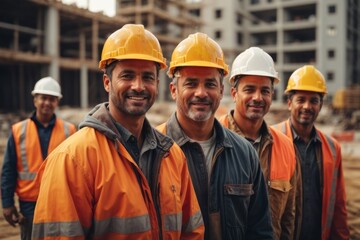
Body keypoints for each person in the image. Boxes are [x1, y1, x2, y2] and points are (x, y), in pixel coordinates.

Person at [31, 24, 204, 240]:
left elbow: (193, 232)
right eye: (127, 76)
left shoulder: (173, 156)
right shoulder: (73, 159)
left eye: (148, 77)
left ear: (158, 84)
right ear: (107, 82)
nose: (138, 86)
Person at [157, 33, 273, 239]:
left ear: (221, 90)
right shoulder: (153, 150)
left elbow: (260, 230)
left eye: (210, 84)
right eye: (191, 83)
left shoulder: (244, 153)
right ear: (174, 90)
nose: (201, 93)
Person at [218, 47, 299, 240]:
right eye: (249, 89)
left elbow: (288, 217)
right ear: (234, 93)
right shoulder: (214, 137)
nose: (257, 97)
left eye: (265, 90)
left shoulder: (285, 147)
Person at [273, 65, 350, 240]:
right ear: (289, 102)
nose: (307, 106)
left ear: (321, 105)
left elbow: (338, 205)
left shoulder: (332, 148)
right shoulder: (271, 140)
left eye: (314, 101)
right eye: (301, 99)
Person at [1, 76, 76, 240]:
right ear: (35, 99)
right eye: (43, 98)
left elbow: (77, 171)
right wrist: (7, 204)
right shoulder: (18, 131)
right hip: (29, 204)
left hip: (60, 201)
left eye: (52, 99)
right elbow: (8, 170)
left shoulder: (69, 131)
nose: (47, 103)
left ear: (57, 102)